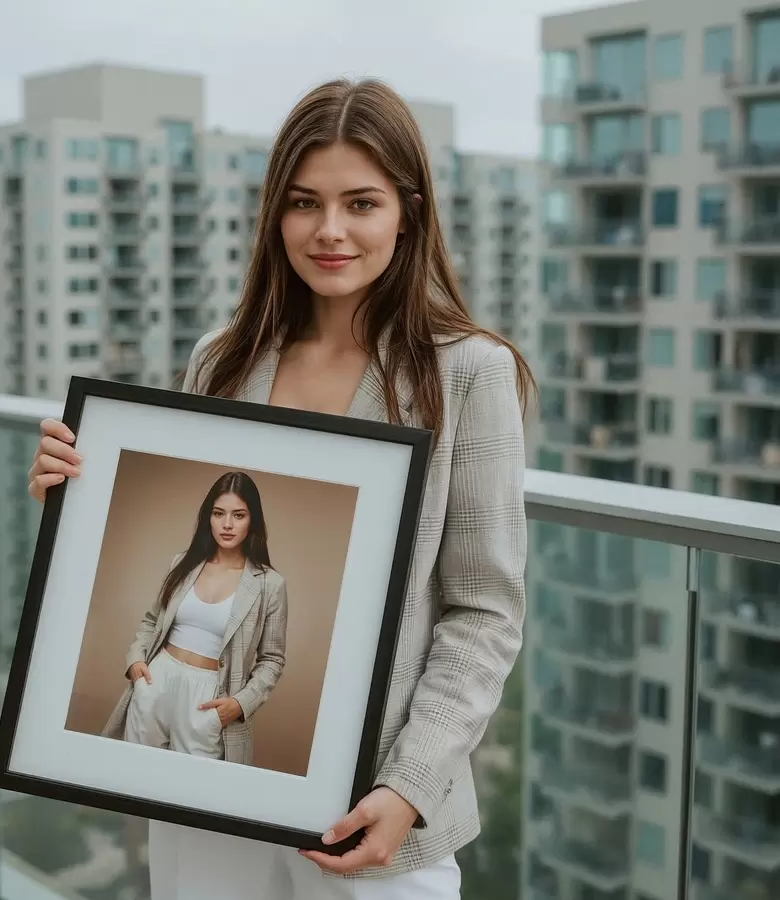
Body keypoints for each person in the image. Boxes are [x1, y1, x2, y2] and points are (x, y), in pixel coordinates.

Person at [28, 76, 533, 900]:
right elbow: (182, 555)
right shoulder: (221, 359)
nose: (330, 231)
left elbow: (485, 611)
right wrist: (71, 503)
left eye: (360, 203)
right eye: (304, 203)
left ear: (408, 212)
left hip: (375, 818)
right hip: (205, 798)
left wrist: (409, 785)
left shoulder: (469, 372)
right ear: (275, 214)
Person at [99, 471, 288, 771]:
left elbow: (272, 659)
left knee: (192, 799)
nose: (227, 524)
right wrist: (136, 660)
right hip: (155, 682)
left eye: (238, 515)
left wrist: (240, 703)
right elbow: (152, 620)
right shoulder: (182, 562)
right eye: (218, 513)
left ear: (253, 520)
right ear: (208, 518)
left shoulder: (269, 584)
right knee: (134, 778)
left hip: (209, 697)